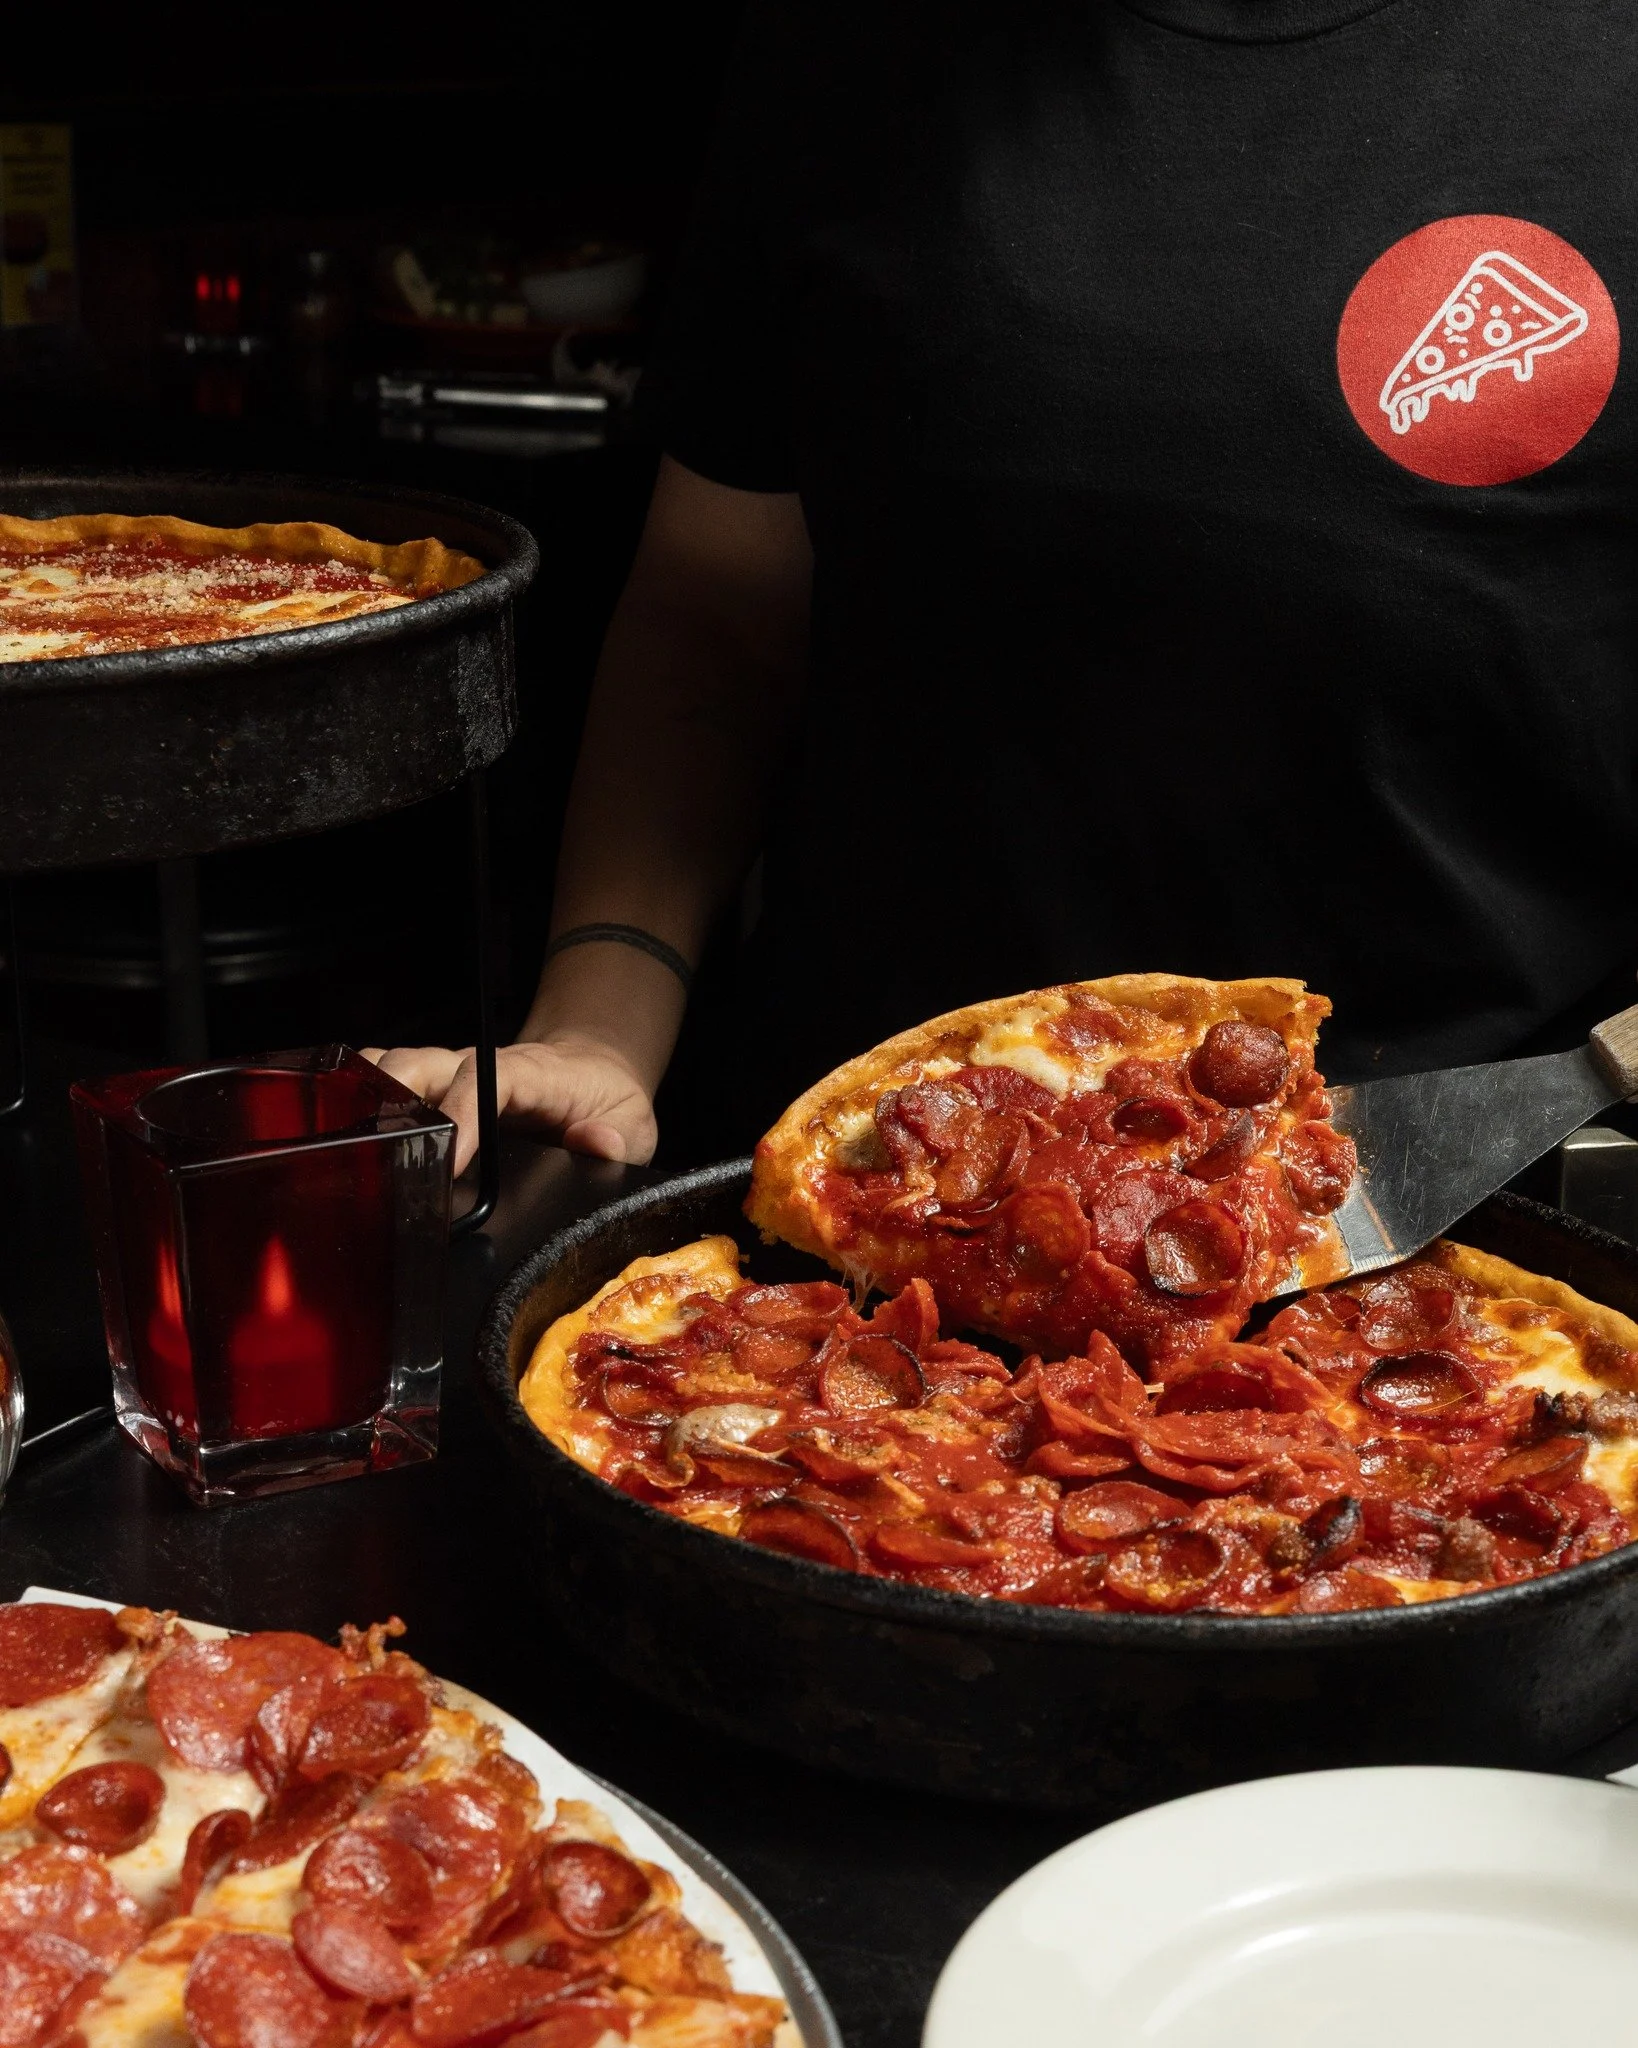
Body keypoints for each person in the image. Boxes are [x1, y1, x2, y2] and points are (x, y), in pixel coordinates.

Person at [374, 0, 1638, 1175]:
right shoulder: (851, 43)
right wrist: (596, 1029)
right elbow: (718, 615)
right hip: (872, 1212)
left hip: (1491, 1229)